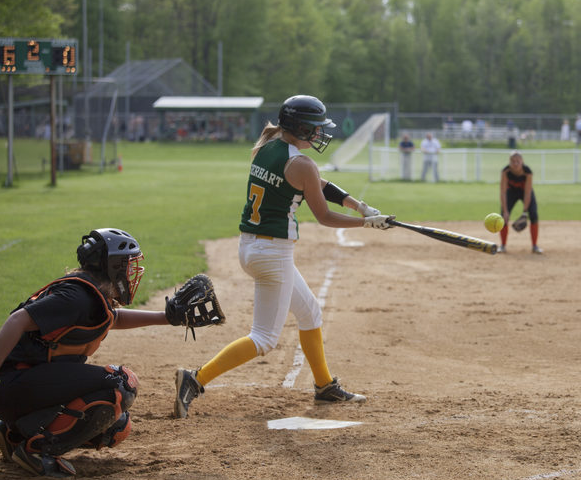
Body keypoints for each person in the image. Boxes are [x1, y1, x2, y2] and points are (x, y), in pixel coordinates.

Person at [172, 95, 393, 419]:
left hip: (253, 246)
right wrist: (366, 222)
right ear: (301, 128)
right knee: (264, 338)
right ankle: (195, 379)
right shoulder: (302, 164)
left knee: (310, 314)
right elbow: (323, 216)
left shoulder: (270, 144)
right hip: (272, 253)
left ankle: (323, 385)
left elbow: (318, 183)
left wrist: (359, 205)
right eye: (315, 128)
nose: (319, 134)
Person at [0, 228, 181, 478]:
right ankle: (37, 451)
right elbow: (16, 320)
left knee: (115, 427)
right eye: (128, 265)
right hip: (14, 384)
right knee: (121, 384)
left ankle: (15, 434)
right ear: (113, 266)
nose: (132, 272)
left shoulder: (90, 295)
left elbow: (113, 319)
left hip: (22, 384)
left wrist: (167, 318)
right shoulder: (76, 297)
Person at [498, 151, 542, 254]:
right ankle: (503, 246)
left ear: (522, 161)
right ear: (509, 162)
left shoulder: (527, 172)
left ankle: (535, 246)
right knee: (503, 217)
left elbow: (527, 193)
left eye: (518, 161)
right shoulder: (506, 171)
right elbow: (503, 192)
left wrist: (524, 212)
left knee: (534, 215)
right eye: (513, 161)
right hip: (511, 193)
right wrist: (505, 211)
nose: (515, 163)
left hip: (524, 192)